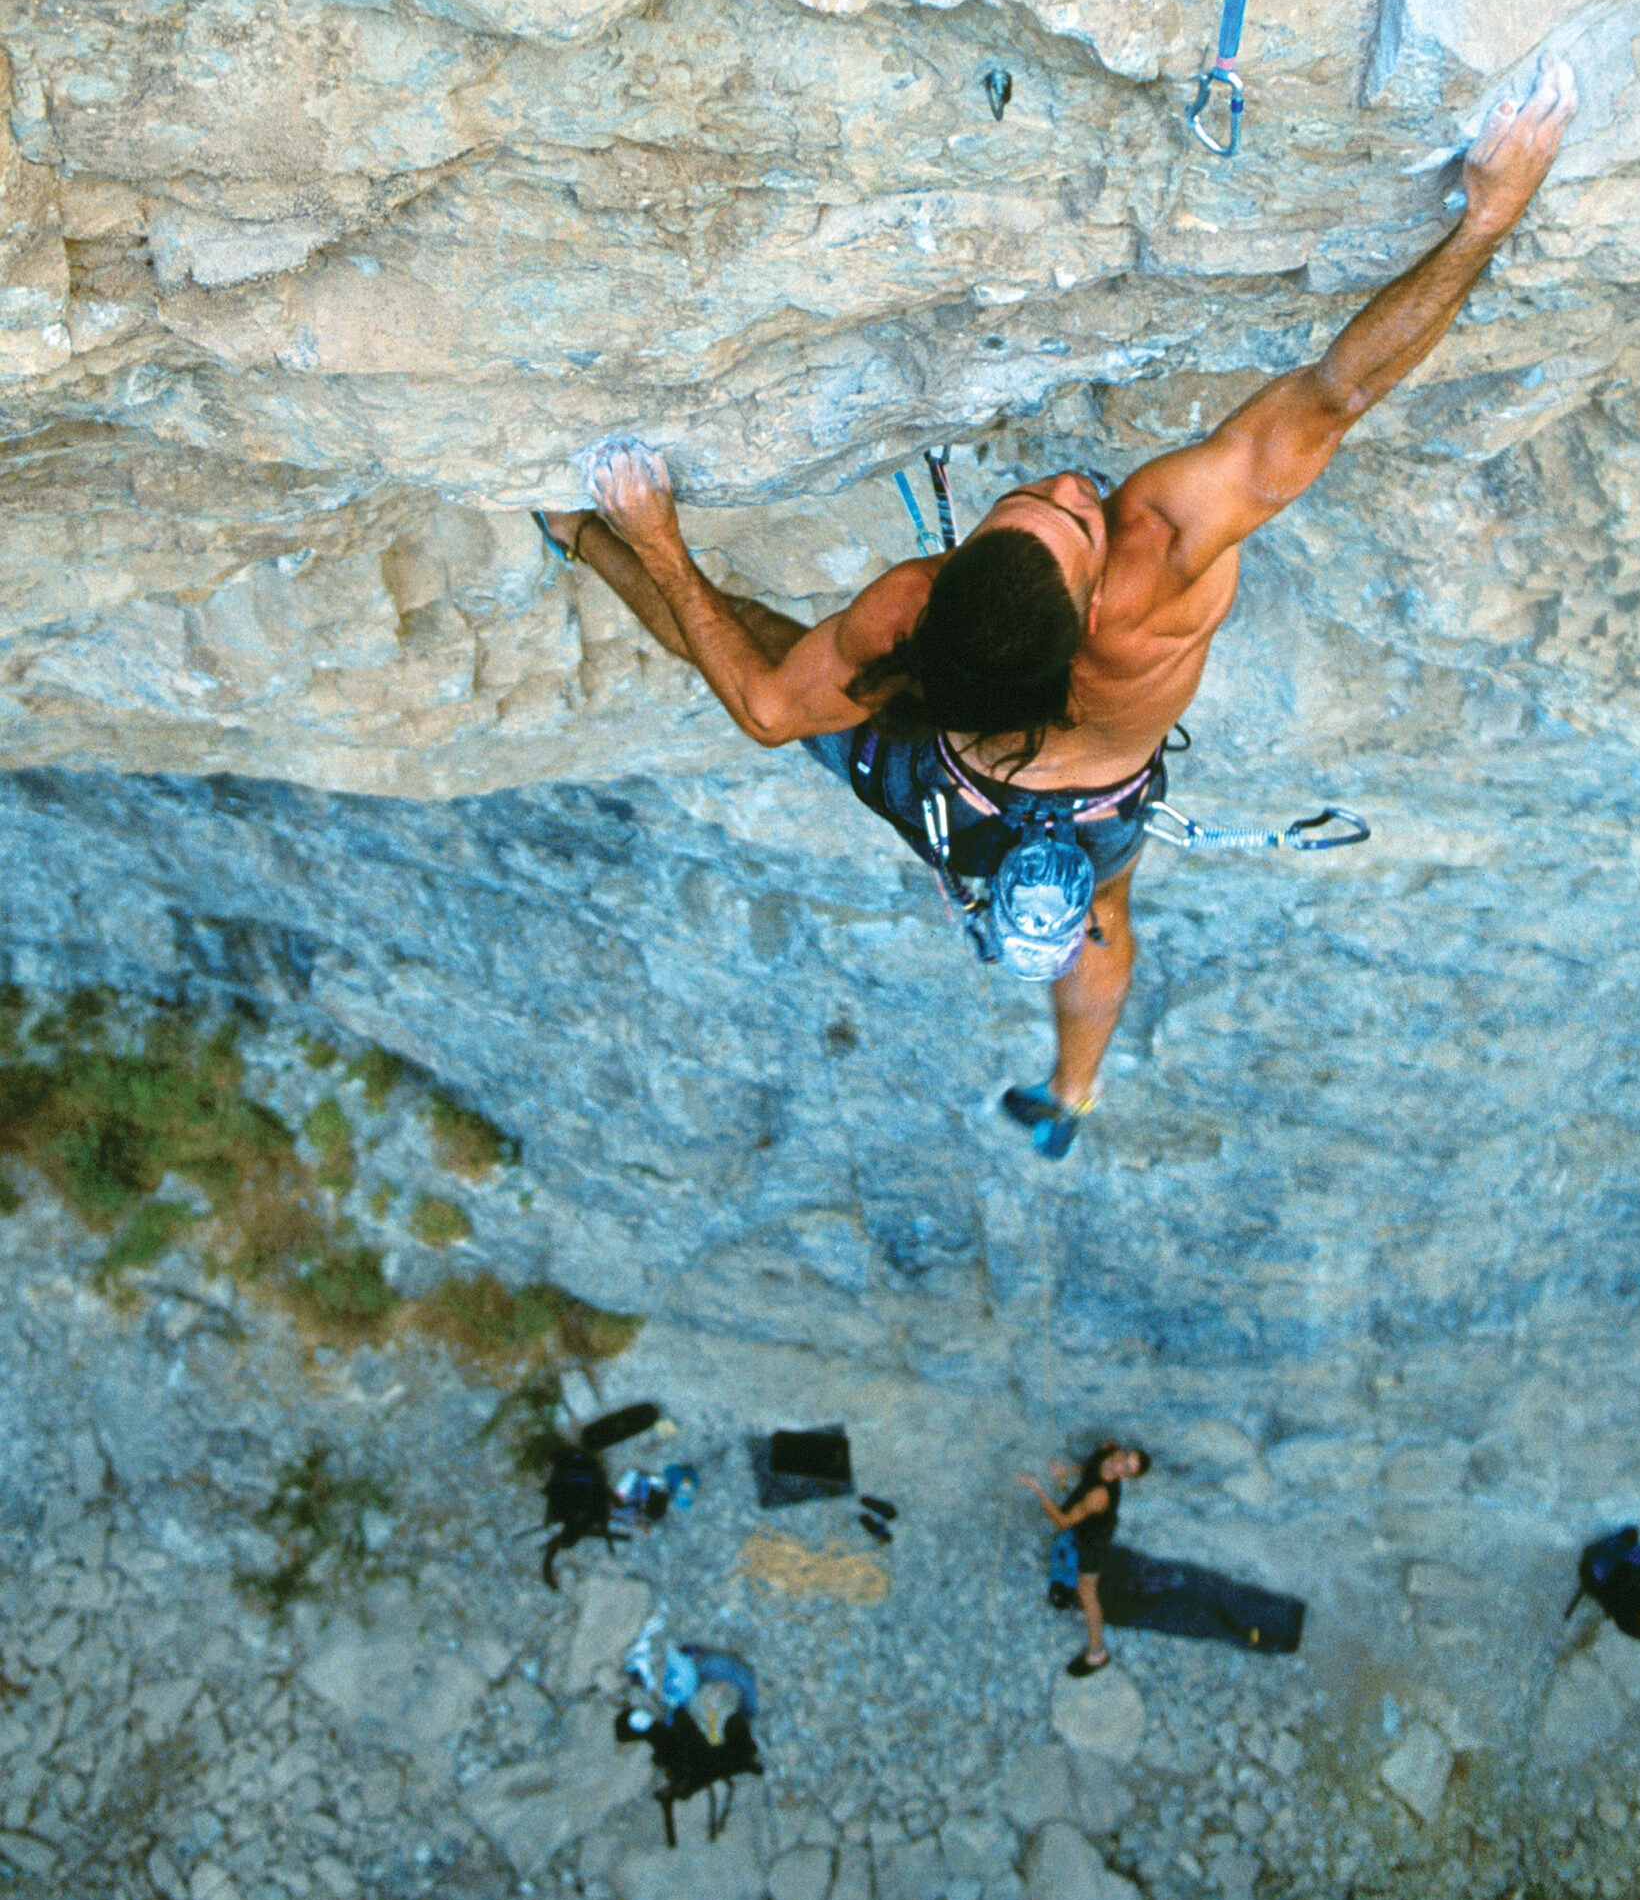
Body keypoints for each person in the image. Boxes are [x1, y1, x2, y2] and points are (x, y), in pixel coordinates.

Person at [539, 56, 1577, 1156]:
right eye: (1046, 508)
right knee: (1101, 918)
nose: (1073, 488)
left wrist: (654, 544)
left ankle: (584, 542)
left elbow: (763, 703)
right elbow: (1331, 395)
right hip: (1093, 805)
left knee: (753, 642)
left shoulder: (908, 611)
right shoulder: (1150, 572)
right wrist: (1485, 219)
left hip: (948, 785)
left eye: (1061, 507)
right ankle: (1073, 1092)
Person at [1020, 1441, 1150, 1676]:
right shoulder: (1110, 1449)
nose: (1120, 1463)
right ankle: (1077, 1598)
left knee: (1088, 1590)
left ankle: (1097, 1652)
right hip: (1084, 1528)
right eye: (1126, 1457)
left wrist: (1037, 1489)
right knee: (1069, 1557)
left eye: (1127, 1469)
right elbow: (1090, 1467)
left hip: (1094, 1541)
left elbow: (1062, 1521)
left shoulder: (1099, 1496)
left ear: (1125, 1478)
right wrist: (1065, 1470)